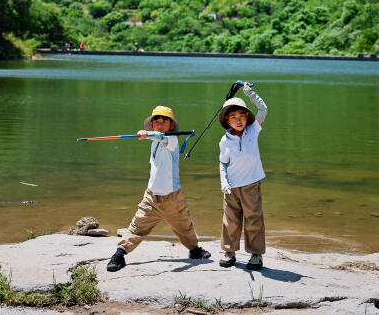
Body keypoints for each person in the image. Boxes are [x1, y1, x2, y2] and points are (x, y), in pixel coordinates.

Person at [106, 105, 211, 272]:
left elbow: (161, 137)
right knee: (136, 227)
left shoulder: (172, 140)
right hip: (151, 197)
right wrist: (149, 135)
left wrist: (147, 134)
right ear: (152, 124)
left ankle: (195, 250)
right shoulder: (154, 141)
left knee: (185, 226)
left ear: (171, 126)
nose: (160, 124)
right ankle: (119, 254)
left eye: (164, 121)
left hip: (173, 197)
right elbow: (157, 138)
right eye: (156, 121)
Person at [218, 81, 267, 270]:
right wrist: (224, 181)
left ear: (247, 117)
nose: (238, 120)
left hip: (251, 184)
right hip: (231, 186)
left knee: (254, 219)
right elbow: (223, 162)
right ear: (227, 121)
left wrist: (249, 92)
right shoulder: (225, 140)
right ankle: (229, 252)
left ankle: (256, 254)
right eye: (233, 117)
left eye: (241, 116)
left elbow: (263, 108)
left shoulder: (253, 130)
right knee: (230, 220)